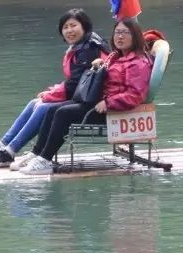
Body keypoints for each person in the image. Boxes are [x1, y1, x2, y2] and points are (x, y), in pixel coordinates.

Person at [16, 17, 154, 174]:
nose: (120, 37)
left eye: (125, 33)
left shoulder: (138, 63)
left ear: (135, 36)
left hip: (115, 111)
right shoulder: (116, 56)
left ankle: (45, 160)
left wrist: (109, 103)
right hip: (98, 104)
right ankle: (37, 154)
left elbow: (135, 95)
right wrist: (101, 65)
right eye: (117, 32)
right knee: (52, 109)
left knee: (63, 113)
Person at [0, 9, 109, 166]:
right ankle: (2, 145)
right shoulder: (81, 46)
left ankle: (10, 151)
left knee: (42, 107)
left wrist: (49, 96)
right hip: (83, 95)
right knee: (35, 102)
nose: (69, 30)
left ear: (84, 26)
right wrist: (51, 92)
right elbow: (75, 80)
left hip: (93, 101)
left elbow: (76, 85)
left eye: (73, 25)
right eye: (65, 27)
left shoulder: (89, 49)